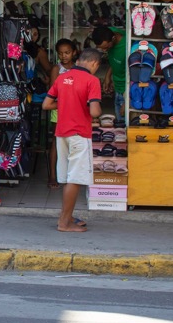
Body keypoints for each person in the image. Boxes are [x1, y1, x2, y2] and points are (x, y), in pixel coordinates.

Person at [41, 47, 102, 233]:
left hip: (62, 134)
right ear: (94, 63)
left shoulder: (61, 77)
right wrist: (98, 110)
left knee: (68, 178)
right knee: (74, 179)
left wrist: (68, 101)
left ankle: (66, 216)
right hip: (79, 134)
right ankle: (64, 222)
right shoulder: (92, 80)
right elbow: (94, 111)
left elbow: (47, 105)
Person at [46, 38, 78, 189]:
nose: (64, 56)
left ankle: (72, 176)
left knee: (74, 142)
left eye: (67, 53)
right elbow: (53, 90)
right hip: (59, 109)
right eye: (61, 53)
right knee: (56, 142)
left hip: (75, 109)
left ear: (74, 53)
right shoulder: (56, 69)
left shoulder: (78, 68)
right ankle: (53, 175)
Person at [90, 25, 126, 122]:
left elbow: (134, 75)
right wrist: (107, 76)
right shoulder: (109, 32)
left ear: (113, 38)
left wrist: (127, 102)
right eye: (101, 48)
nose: (104, 50)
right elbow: (115, 61)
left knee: (123, 124)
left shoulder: (127, 47)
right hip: (118, 88)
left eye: (106, 47)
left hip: (126, 91)